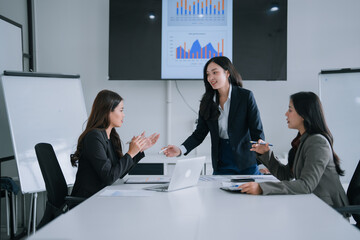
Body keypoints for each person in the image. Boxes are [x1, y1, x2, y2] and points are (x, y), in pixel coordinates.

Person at [241, 91, 349, 209]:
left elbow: (306, 185)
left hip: (330, 210)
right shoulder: (303, 140)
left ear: (303, 114)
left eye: (290, 110)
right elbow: (286, 175)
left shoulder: (317, 142)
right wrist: (266, 154)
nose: (286, 114)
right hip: (314, 205)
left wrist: (262, 188)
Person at [162, 56, 265, 175]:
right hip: (221, 163)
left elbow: (257, 132)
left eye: (215, 72)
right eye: (208, 74)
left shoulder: (245, 97)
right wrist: (180, 150)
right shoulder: (207, 102)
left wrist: (262, 162)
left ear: (227, 73)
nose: (210, 78)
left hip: (246, 163)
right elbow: (199, 134)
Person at [71, 90, 159, 198]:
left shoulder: (111, 136)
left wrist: (138, 151)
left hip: (100, 196)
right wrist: (131, 153)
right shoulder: (94, 137)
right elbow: (109, 177)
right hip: (87, 200)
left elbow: (118, 173)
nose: (123, 115)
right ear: (108, 111)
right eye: (121, 110)